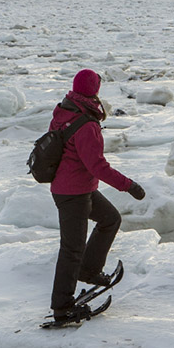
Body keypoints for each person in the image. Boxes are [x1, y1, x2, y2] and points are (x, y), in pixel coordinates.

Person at [48, 69, 146, 324]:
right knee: (71, 249)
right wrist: (129, 186)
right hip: (73, 193)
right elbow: (98, 166)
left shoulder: (65, 110)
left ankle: (89, 270)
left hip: (78, 188)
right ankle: (62, 307)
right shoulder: (86, 124)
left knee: (110, 219)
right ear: (95, 91)